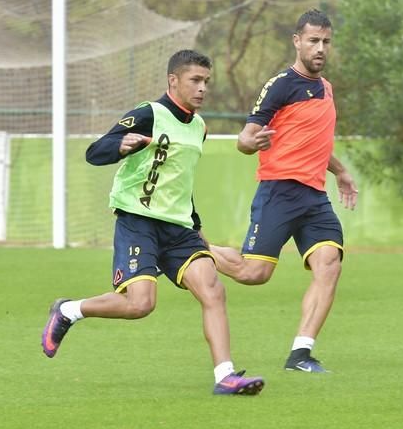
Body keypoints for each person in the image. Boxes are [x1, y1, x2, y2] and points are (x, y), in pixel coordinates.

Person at [41, 49, 264, 396]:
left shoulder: (200, 128)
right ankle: (68, 310)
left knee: (213, 290)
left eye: (206, 81)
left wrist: (196, 226)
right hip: (138, 221)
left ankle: (226, 376)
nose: (203, 88)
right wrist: (123, 146)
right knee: (140, 305)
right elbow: (95, 151)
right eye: (195, 80)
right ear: (173, 81)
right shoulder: (150, 114)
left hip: (179, 228)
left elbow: (180, 182)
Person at [210, 9, 359, 374]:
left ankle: (301, 354)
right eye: (313, 41)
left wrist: (340, 172)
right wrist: (250, 142)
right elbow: (246, 138)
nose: (320, 48)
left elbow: (317, 143)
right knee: (253, 274)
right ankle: (187, 247)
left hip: (314, 197)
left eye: (325, 41)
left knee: (329, 263)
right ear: (297, 41)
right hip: (279, 191)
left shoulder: (326, 89)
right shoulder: (281, 84)